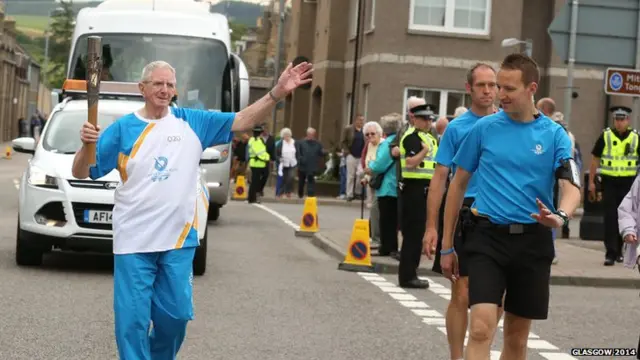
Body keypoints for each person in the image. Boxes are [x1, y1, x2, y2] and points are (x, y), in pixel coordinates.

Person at [71, 60, 312, 360]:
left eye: (170, 85)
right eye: (157, 84)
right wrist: (85, 146)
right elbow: (82, 171)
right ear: (142, 89)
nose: (164, 90)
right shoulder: (123, 129)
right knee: (131, 323)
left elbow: (243, 120)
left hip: (178, 238)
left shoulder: (192, 122)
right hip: (133, 240)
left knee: (176, 317)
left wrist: (276, 92)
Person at [440, 53, 581, 360]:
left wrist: (560, 216)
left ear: (532, 88)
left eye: (509, 88)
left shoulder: (555, 135)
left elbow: (571, 185)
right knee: (480, 327)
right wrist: (447, 245)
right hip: (486, 237)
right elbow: (458, 184)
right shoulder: (484, 129)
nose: (499, 95)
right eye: (498, 87)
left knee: (516, 339)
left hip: (533, 241)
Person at [424, 62, 501, 360]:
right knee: (462, 293)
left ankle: (478, 348)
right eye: (481, 85)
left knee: (498, 299)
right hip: (464, 211)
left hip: (498, 211)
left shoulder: (507, 124)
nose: (488, 90)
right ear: (469, 88)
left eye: (492, 85)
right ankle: (458, 356)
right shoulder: (457, 128)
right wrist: (432, 227)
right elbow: (440, 179)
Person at [589, 105, 639, 266]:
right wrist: (591, 182)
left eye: (622, 119)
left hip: (629, 184)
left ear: (628, 120)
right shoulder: (606, 136)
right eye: (617, 119)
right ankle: (610, 253)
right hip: (609, 181)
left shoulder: (636, 137)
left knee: (626, 217)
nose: (619, 123)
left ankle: (620, 251)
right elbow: (595, 159)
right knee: (610, 217)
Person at [397, 103, 439, 289]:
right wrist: (423, 152)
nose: (428, 122)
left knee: (418, 233)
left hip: (426, 188)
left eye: (430, 118)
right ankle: (407, 276)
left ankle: (411, 273)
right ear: (414, 119)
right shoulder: (412, 137)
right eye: (424, 118)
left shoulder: (428, 137)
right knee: (413, 235)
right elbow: (411, 162)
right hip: (414, 188)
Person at [368, 113, 403, 259]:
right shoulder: (400, 142)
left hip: (387, 186)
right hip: (398, 185)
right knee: (394, 220)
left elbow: (379, 165)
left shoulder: (387, 144)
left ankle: (387, 247)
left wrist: (370, 164)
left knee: (386, 219)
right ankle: (391, 247)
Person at [247, 125, 271, 203]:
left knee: (262, 177)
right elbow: (259, 153)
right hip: (257, 163)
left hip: (260, 163)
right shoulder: (255, 140)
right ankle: (252, 198)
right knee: (255, 181)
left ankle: (255, 195)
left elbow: (263, 151)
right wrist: (267, 158)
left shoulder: (257, 140)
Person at [275, 127, 297, 198]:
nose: (287, 137)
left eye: (288, 135)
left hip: (292, 163)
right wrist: (279, 159)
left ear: (290, 135)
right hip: (283, 164)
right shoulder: (280, 144)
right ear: (283, 136)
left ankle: (288, 191)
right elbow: (276, 154)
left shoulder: (294, 142)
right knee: (284, 179)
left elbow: (299, 152)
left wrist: (299, 159)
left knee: (291, 177)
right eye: (285, 135)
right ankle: (280, 193)